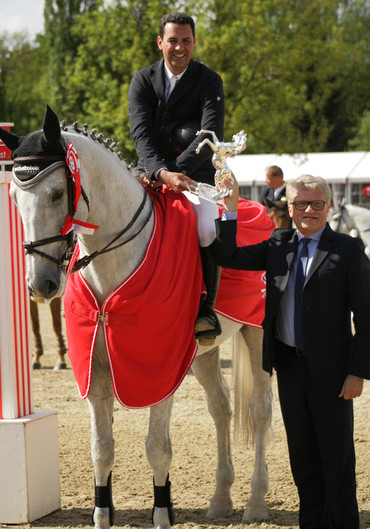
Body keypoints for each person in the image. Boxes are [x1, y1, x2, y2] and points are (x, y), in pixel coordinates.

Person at [213, 174, 370, 529]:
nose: (308, 210)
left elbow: (367, 315)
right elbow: (228, 255)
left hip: (334, 375)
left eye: (316, 204)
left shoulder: (347, 250)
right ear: (290, 206)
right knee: (302, 460)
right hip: (288, 369)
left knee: (337, 461)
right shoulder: (278, 243)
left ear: (328, 207)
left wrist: (357, 371)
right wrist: (231, 208)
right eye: (300, 204)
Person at [128, 11, 225, 343]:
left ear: (194, 42)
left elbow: (209, 135)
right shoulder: (142, 80)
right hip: (152, 171)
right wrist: (160, 172)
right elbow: (140, 135)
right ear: (160, 43)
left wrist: (176, 173)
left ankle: (206, 309)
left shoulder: (209, 80)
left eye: (186, 41)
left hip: (197, 176)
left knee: (206, 226)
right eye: (173, 40)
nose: (180, 47)